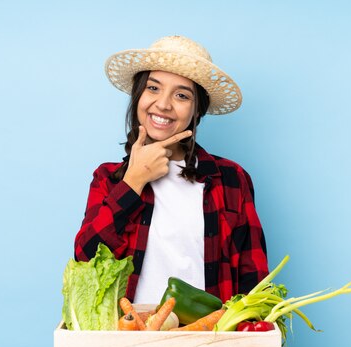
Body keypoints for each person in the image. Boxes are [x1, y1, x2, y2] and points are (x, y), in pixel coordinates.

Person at [74, 35, 268, 304]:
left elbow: (254, 280)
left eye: (181, 95)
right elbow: (85, 258)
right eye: (153, 88)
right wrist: (133, 181)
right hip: (129, 338)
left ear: (196, 110)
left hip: (210, 338)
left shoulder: (231, 179)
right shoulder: (108, 179)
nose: (163, 104)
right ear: (138, 95)